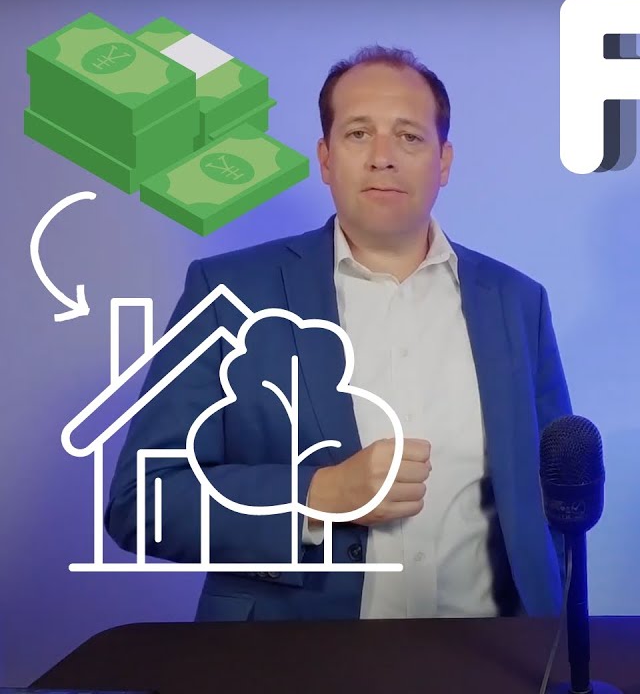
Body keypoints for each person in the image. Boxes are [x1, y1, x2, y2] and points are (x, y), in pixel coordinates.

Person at [103, 45, 572, 621]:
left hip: (489, 654)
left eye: (409, 136)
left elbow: (559, 499)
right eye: (358, 134)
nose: (383, 158)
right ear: (325, 158)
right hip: (291, 657)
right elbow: (141, 501)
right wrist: (315, 497)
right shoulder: (227, 292)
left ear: (444, 162)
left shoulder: (518, 301)